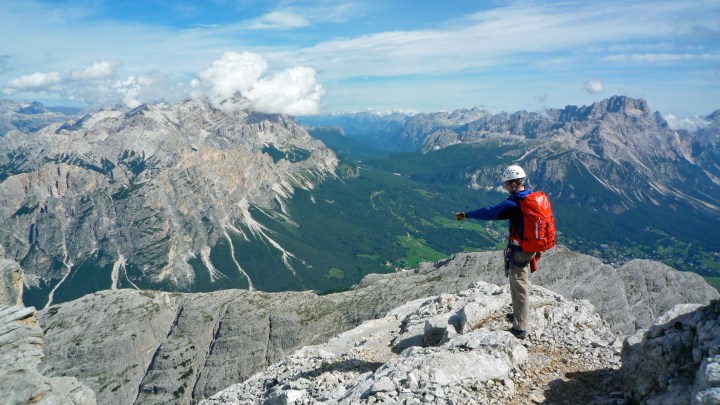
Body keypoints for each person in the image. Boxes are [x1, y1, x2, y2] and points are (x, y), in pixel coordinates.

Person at [455, 164, 535, 339]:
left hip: (521, 249)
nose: (505, 187)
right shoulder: (531, 196)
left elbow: (490, 212)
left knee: (518, 282)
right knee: (518, 280)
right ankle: (518, 314)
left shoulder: (515, 202)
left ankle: (520, 327)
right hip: (529, 247)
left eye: (506, 184)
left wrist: (467, 214)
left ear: (514, 184)